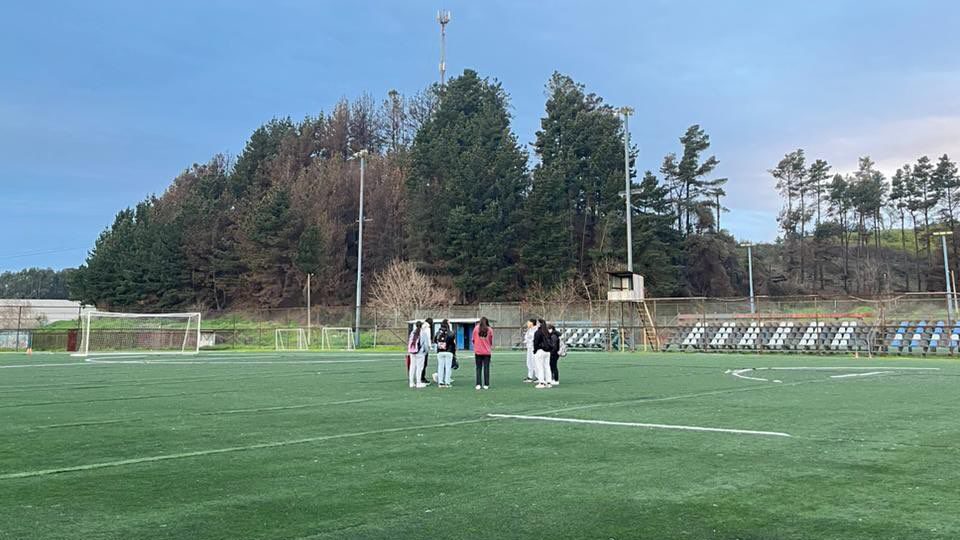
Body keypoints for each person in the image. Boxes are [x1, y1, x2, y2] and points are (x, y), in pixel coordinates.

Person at [472, 317, 494, 390]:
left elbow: (473, 339)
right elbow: (491, 340)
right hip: (487, 352)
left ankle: (478, 384)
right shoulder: (490, 329)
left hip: (478, 351)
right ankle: (486, 384)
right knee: (486, 368)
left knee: (478, 368)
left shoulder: (476, 329)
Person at [435, 319, 457, 388]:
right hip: (449, 351)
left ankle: (440, 382)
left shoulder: (438, 333)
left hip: (440, 351)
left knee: (440, 367)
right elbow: (453, 342)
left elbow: (435, 340)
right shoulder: (451, 333)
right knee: (448, 367)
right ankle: (447, 382)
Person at [532, 319, 552, 389]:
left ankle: (542, 382)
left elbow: (535, 342)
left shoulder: (538, 332)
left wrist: (534, 350)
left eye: (537, 323)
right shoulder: (547, 332)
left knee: (540, 367)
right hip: (547, 352)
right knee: (547, 366)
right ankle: (549, 382)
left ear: (539, 324)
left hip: (540, 351)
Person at [408, 322, 428, 389]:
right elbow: (425, 344)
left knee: (412, 367)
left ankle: (411, 382)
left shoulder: (412, 332)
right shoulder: (423, 333)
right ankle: (418, 382)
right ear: (422, 326)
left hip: (412, 352)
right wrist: (426, 351)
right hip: (420, 353)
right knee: (419, 368)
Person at [523, 318, 538, 383]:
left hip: (534, 348)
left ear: (532, 323)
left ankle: (538, 376)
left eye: (528, 322)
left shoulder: (536, 330)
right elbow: (527, 337)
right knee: (529, 362)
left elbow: (535, 339)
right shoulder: (529, 330)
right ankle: (530, 376)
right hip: (529, 348)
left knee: (535, 362)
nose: (527, 324)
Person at [421, 317, 434, 385]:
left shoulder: (421, 327)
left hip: (418, 348)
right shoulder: (427, 328)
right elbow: (428, 338)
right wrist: (430, 347)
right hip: (424, 349)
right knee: (424, 364)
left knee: (417, 365)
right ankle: (422, 378)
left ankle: (418, 378)